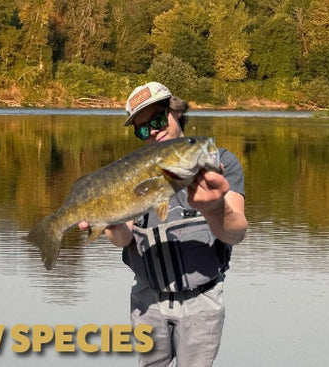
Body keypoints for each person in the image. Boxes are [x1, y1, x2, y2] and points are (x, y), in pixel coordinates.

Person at [81, 81, 247, 366]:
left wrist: (213, 208)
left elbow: (236, 233)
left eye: (158, 119)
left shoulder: (220, 163)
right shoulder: (132, 171)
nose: (153, 131)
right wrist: (111, 222)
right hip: (147, 298)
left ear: (177, 112)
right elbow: (123, 239)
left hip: (202, 300)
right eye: (143, 129)